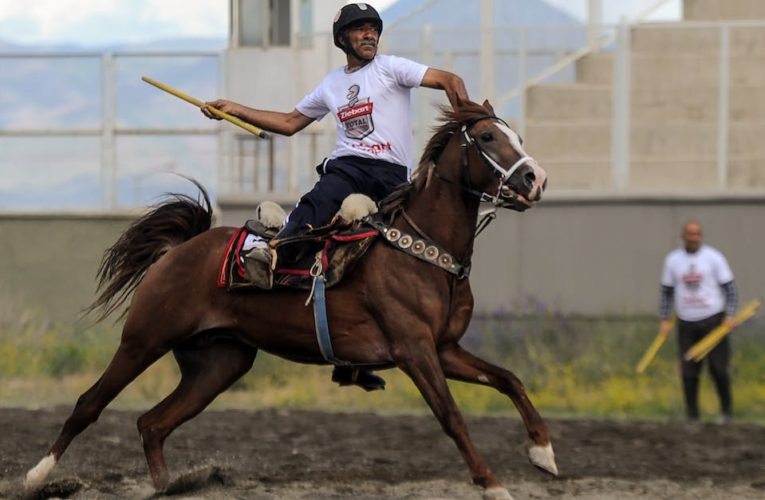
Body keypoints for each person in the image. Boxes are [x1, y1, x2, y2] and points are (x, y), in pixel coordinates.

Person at [202, 3, 469, 391]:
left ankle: (355, 360)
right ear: (343, 38)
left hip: (394, 179)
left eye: (373, 29)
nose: (370, 35)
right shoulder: (330, 84)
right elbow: (290, 123)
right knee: (319, 204)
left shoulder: (392, 67)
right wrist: (234, 109)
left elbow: (450, 79)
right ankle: (273, 252)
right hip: (348, 167)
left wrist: (467, 119)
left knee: (382, 263)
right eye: (360, 29)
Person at [658, 221, 738, 422]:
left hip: (714, 322)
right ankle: (692, 416)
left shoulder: (714, 257)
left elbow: (730, 288)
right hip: (687, 323)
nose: (693, 238)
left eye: (697, 234)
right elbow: (666, 292)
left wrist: (730, 315)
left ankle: (726, 412)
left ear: (701, 236)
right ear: (683, 236)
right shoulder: (673, 260)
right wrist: (664, 319)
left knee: (718, 369)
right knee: (689, 372)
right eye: (689, 234)